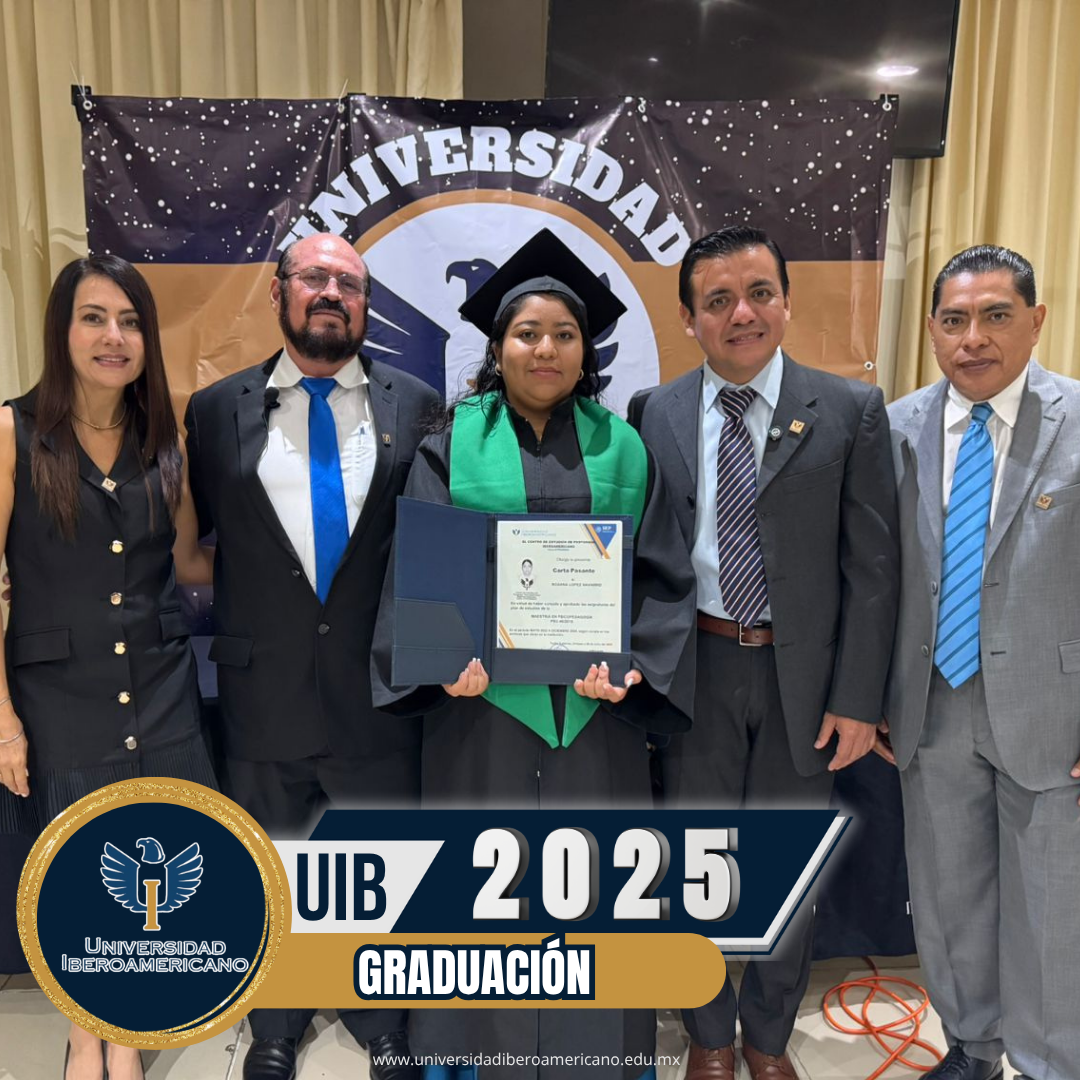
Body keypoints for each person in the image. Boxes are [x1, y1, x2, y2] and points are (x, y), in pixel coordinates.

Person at [372, 228, 696, 1079]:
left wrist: (634, 670)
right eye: (526, 333)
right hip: (481, 715)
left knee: (593, 887)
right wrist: (443, 661)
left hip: (595, 718)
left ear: (586, 351)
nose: (545, 349)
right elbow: (421, 569)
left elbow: (663, 576)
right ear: (497, 347)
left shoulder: (624, 445)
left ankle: (599, 1062)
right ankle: (473, 1058)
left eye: (563, 334)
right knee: (485, 891)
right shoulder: (451, 442)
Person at [628, 225, 899, 1080]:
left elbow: (874, 569)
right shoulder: (654, 411)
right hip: (697, 671)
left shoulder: (849, 409)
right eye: (718, 301)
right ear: (688, 318)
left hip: (804, 680)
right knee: (695, 865)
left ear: (786, 302)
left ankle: (767, 1038)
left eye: (758, 294)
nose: (740, 314)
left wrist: (858, 699)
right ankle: (709, 1035)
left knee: (788, 867)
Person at [184, 232, 439, 1080]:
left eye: (350, 284)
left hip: (379, 690)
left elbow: (434, 542)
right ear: (279, 293)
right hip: (263, 690)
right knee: (273, 862)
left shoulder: (418, 405)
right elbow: (192, 539)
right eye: (315, 278)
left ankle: (384, 1022)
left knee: (381, 866)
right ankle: (275, 1025)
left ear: (365, 306)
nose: (332, 293)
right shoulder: (214, 410)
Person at [0, 254, 217, 1080]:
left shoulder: (166, 439)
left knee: (149, 855)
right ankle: (85, 1037)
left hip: (161, 687)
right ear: (62, 331)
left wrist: (302, 574)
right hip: (58, 694)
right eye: (94, 318)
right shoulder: (13, 433)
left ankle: (122, 1030)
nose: (113, 336)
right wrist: (2, 720)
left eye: (129, 322)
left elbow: (190, 565)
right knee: (73, 867)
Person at [881, 245, 1080, 1080]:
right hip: (930, 706)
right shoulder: (894, 428)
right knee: (949, 898)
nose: (974, 338)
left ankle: (1049, 1063)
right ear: (932, 330)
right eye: (955, 320)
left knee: (1050, 909)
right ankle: (971, 1046)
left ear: (1036, 321)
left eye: (997, 315)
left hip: (1052, 709)